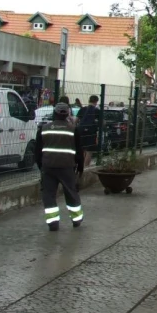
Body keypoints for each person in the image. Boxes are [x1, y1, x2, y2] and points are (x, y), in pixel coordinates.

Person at [35, 102, 84, 231]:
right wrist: (80, 168)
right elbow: (79, 152)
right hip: (67, 166)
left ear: (54, 113)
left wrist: (41, 166)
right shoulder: (73, 129)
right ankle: (76, 220)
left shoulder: (44, 129)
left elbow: (37, 151)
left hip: (48, 166)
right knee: (71, 192)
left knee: (49, 194)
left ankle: (53, 223)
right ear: (67, 114)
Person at [76, 95, 100, 167]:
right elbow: (102, 122)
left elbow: (76, 120)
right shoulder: (97, 110)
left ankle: (80, 165)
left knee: (82, 149)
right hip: (91, 132)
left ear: (89, 100)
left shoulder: (82, 109)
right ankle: (85, 167)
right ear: (96, 102)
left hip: (81, 131)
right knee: (89, 151)